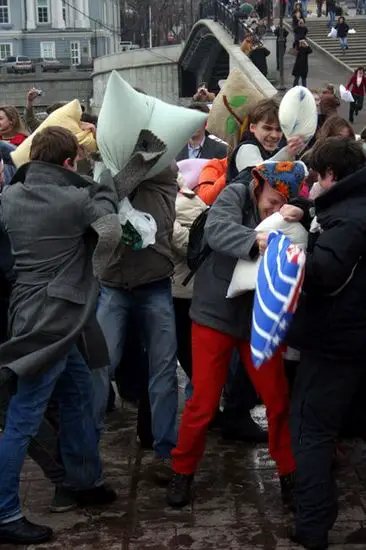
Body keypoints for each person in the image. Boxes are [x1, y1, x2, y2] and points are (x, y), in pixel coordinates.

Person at [0, 126, 118, 545]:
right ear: (69, 163)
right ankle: (5, 513)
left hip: (27, 313)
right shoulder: (75, 199)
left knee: (76, 394)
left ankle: (82, 482)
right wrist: (102, 185)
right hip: (54, 320)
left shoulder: (10, 196)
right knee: (23, 417)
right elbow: (111, 228)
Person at [166, 160, 308, 509]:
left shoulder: (287, 205)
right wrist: (255, 239)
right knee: (202, 402)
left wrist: (301, 209)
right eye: (272, 201)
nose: (274, 209)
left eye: (281, 205)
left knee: (276, 399)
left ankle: (289, 474)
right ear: (259, 184)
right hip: (214, 314)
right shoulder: (233, 193)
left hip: (258, 319)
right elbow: (216, 230)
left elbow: (307, 214)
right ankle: (181, 472)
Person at [288, 137, 366, 550]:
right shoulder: (353, 204)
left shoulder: (348, 217)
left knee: (310, 429)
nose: (314, 184)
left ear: (331, 176)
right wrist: (308, 210)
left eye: (317, 177)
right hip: (355, 338)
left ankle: (312, 524)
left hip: (338, 342)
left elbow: (327, 272)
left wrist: (295, 253)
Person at [227, 98, 303, 184]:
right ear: (252, 127)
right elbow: (258, 177)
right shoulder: (247, 148)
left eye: (279, 130)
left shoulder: (275, 151)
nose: (274, 135)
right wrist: (286, 153)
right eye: (267, 128)